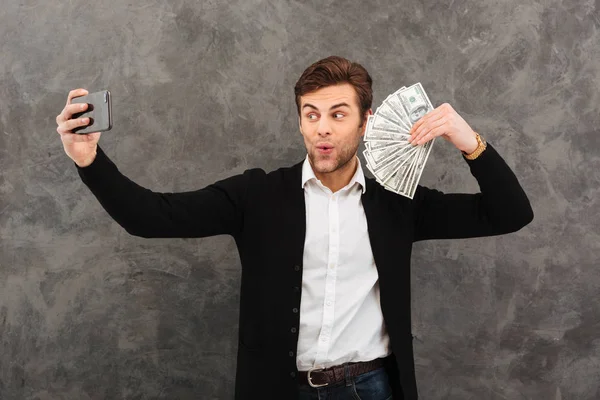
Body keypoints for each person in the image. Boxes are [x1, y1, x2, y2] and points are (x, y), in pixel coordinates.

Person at [55, 56, 533, 400]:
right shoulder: (256, 196)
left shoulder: (398, 204)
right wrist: (89, 160)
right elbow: (150, 217)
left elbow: (511, 213)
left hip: (371, 388)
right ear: (301, 121)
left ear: (366, 122)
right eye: (312, 114)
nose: (323, 128)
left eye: (338, 114)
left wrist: (469, 142)